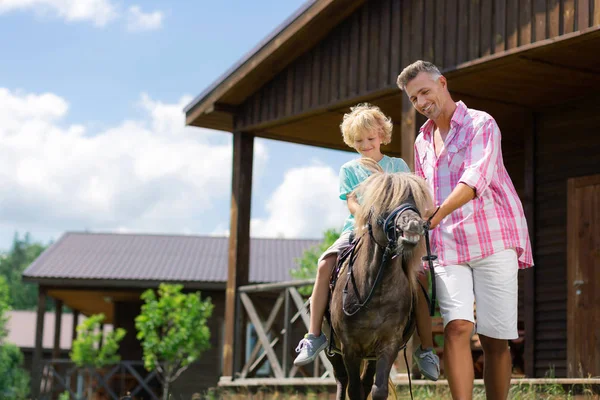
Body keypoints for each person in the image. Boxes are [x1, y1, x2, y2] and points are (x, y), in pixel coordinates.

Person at [397, 60, 533, 400]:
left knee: (494, 337)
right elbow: (422, 193)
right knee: (457, 327)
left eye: (425, 91)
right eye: (414, 98)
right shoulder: (422, 142)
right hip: (446, 246)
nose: (422, 102)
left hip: (492, 239)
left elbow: (475, 179)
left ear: (442, 83)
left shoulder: (480, 123)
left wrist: (436, 214)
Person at [293, 102, 441, 382]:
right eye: (358, 140)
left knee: (419, 277)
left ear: (383, 136)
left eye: (371, 139)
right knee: (325, 265)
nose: (365, 144)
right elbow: (351, 200)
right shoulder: (349, 169)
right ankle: (314, 336)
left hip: (393, 233)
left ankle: (426, 348)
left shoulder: (397, 165)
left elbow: (406, 198)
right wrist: (362, 217)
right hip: (358, 230)